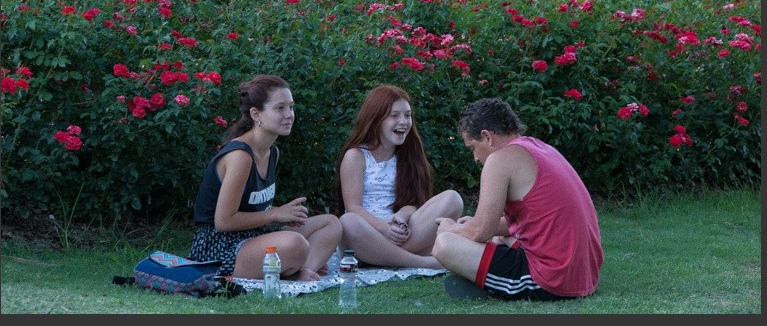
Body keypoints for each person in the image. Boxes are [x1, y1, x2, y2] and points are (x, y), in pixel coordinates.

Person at [432, 97, 603, 301]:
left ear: (487, 137)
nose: (475, 158)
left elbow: (481, 231)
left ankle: (494, 287)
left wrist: (451, 228)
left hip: (551, 281)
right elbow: (517, 223)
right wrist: (472, 225)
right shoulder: (538, 147)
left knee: (445, 244)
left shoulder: (499, 159)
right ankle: (488, 279)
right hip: (583, 275)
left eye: (472, 148)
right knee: (499, 238)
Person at [188, 75, 342, 281]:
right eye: (280, 108)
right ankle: (293, 271)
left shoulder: (272, 153)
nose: (289, 115)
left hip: (254, 236)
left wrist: (286, 215)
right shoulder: (241, 156)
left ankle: (301, 270)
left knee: (331, 224)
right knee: (295, 243)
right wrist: (276, 214)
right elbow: (223, 222)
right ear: (256, 114)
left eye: (291, 107)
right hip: (219, 248)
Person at [335, 84, 464, 269]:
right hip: (367, 232)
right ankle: (422, 262)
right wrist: (384, 229)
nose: (403, 122)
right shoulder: (356, 156)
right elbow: (353, 207)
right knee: (347, 221)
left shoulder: (409, 154)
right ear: (375, 119)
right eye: (394, 115)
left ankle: (387, 258)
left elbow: (414, 201)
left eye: (407, 115)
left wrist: (402, 216)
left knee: (453, 199)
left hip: (401, 232)